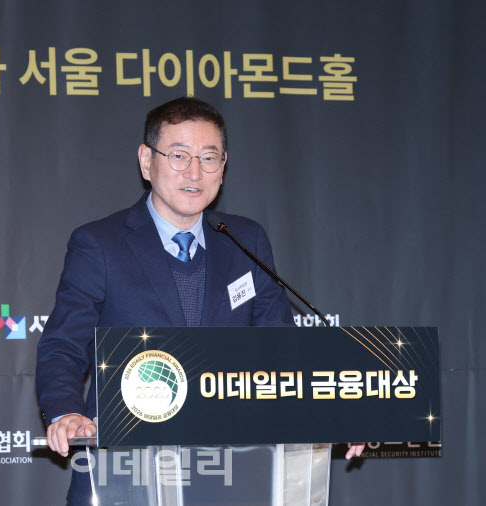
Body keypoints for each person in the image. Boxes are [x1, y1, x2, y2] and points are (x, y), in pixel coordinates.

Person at [36, 96, 363, 505]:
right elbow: (63, 344)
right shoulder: (100, 244)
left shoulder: (245, 241)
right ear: (146, 161)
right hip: (128, 473)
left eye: (208, 158)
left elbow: (280, 350)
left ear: (223, 167)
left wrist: (330, 409)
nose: (194, 172)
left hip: (232, 472)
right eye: (178, 156)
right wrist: (66, 412)